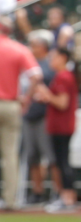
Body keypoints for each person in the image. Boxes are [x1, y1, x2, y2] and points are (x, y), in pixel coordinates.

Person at [0, 16, 41, 210]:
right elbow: (36, 75)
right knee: (10, 154)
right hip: (11, 104)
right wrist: (26, 98)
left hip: (8, 102)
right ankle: (10, 200)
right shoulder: (19, 48)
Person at [36, 48, 78, 213]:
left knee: (62, 162)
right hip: (59, 126)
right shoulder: (63, 76)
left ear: (62, 58)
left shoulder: (63, 76)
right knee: (61, 162)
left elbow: (62, 103)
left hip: (62, 126)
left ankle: (67, 199)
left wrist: (46, 94)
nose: (50, 60)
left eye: (54, 57)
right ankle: (66, 198)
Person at [21, 29, 56, 205]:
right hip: (29, 114)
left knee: (51, 156)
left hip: (45, 115)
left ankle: (57, 192)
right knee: (32, 156)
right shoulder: (28, 63)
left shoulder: (50, 64)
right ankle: (37, 192)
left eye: (34, 45)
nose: (31, 48)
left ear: (42, 46)